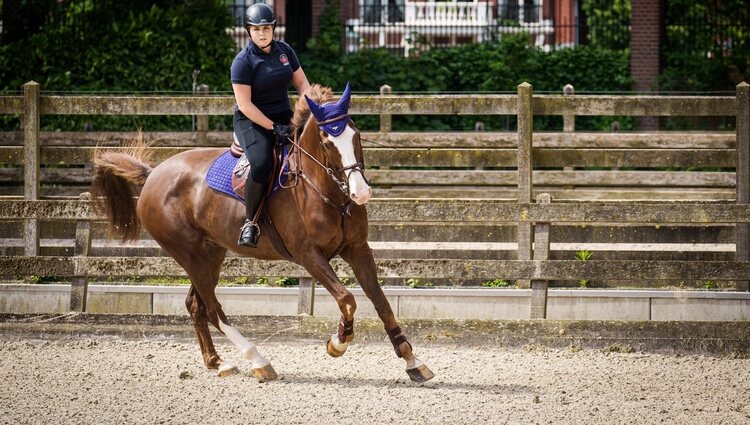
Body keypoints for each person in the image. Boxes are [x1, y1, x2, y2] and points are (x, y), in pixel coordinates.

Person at [231, 2, 310, 247]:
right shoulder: (242, 62)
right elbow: (245, 105)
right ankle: (250, 223)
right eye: (256, 29)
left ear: (274, 28)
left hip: (283, 115)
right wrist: (273, 127)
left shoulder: (285, 51)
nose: (262, 33)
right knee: (263, 162)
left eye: (266, 28)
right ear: (248, 31)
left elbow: (303, 86)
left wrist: (313, 111)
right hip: (251, 120)